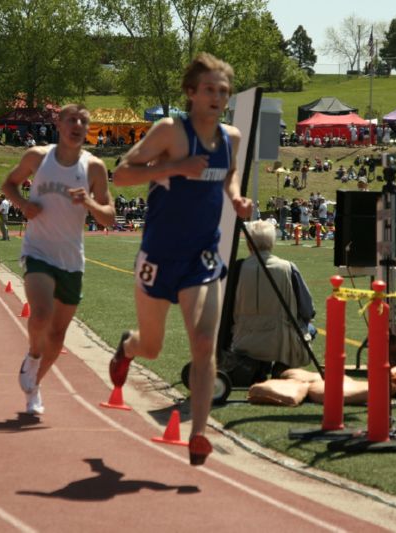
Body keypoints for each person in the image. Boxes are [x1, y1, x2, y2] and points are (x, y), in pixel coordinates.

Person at [108, 53, 253, 466]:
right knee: (151, 346)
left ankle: (200, 434)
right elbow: (121, 174)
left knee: (204, 344)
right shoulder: (170, 131)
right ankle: (127, 348)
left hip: (203, 255)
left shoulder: (232, 137)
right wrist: (176, 166)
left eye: (223, 91)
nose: (217, 97)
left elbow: (229, 174)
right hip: (160, 254)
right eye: (209, 89)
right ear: (191, 93)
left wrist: (236, 197)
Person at [2, 103, 116, 416]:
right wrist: (23, 204)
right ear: (59, 124)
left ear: (87, 129)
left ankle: (33, 386)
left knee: (58, 335)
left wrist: (90, 201)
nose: (77, 124)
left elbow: (109, 218)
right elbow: (8, 184)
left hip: (71, 259)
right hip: (38, 251)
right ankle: (33, 355)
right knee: (40, 315)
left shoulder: (94, 168)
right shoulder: (38, 157)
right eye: (71, 119)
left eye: (83, 120)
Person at [231, 220, 315, 378]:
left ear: (249, 244)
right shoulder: (288, 267)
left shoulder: (238, 268)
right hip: (282, 341)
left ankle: (258, 366)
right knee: (311, 329)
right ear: (272, 243)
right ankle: (282, 366)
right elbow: (308, 309)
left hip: (243, 339)